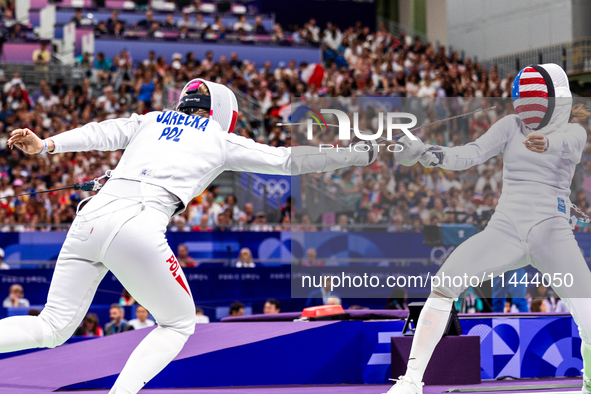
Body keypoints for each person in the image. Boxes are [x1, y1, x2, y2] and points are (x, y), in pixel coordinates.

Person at [1, 78, 375, 393]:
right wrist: (353, 156)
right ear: (222, 112)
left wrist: (47, 144)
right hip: (138, 223)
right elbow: (287, 160)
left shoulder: (151, 120)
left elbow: (103, 131)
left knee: (51, 326)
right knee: (179, 323)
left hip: (91, 219)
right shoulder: (217, 137)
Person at [385, 63, 591, 394]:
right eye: (524, 98)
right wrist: (425, 153)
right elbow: (471, 154)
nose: (527, 107)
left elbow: (569, 146)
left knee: (590, 314)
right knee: (444, 283)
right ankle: (411, 381)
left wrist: (546, 144)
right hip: (506, 228)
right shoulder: (511, 125)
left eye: (534, 98)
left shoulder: (574, 131)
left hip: (552, 232)